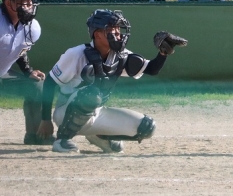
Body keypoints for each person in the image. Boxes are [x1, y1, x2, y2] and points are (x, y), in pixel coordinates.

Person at [37, 9, 188, 153]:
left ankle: (99, 136)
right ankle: (62, 140)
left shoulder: (120, 55)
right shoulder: (76, 54)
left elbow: (152, 69)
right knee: (91, 95)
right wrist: (45, 120)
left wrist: (163, 53)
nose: (117, 33)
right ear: (97, 34)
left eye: (118, 28)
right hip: (65, 112)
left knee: (147, 127)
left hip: (96, 113)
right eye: (111, 29)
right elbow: (50, 82)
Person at [0, 0, 53, 145]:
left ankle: (36, 135)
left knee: (35, 84)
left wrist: (28, 71)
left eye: (30, 2)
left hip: (3, 74)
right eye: (22, 2)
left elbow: (20, 49)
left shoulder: (33, 27)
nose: (28, 6)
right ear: (8, 3)